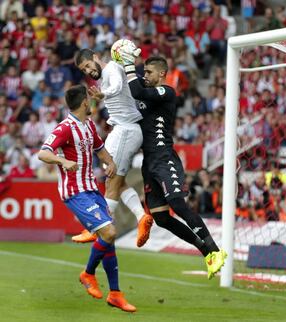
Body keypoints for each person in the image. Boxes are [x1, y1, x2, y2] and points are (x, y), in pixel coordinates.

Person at [118, 48, 226, 279]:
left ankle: (215, 251)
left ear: (162, 73)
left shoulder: (167, 92)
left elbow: (136, 89)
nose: (144, 75)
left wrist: (129, 65)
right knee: (161, 218)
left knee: (177, 203)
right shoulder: (146, 98)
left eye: (148, 71)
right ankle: (206, 252)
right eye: (143, 71)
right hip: (149, 162)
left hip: (164, 156)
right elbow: (132, 95)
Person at [38, 85, 136, 312]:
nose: (92, 103)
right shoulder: (65, 128)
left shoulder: (89, 125)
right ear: (84, 103)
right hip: (74, 191)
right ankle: (88, 273)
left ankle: (115, 294)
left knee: (109, 238)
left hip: (91, 188)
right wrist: (62, 162)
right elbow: (43, 152)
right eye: (89, 100)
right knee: (109, 232)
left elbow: (100, 148)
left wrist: (110, 162)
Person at [73, 48, 153, 247]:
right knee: (116, 180)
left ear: (94, 58)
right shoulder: (103, 77)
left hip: (125, 130)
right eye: (84, 70)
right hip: (120, 130)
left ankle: (97, 227)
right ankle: (141, 217)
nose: (89, 72)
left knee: (112, 183)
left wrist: (103, 94)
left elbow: (117, 86)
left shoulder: (112, 69)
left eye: (88, 66)